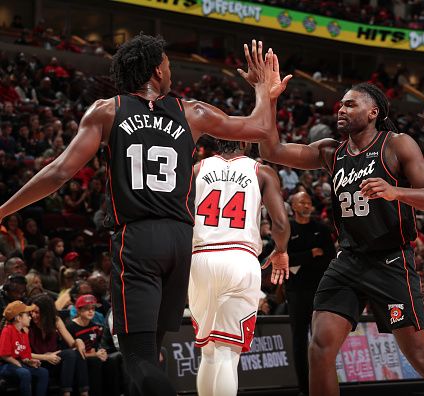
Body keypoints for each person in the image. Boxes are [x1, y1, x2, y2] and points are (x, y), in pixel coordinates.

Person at [0, 34, 281, 396]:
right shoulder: (192, 111)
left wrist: (4, 209)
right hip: (180, 244)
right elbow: (260, 129)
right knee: (153, 352)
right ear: (154, 70)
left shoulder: (107, 110)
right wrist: (263, 90)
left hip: (137, 241)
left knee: (138, 358)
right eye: (167, 63)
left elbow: (58, 172)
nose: (171, 69)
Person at [258, 73, 424, 394]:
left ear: (373, 113)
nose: (341, 109)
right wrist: (269, 98)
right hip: (348, 260)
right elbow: (271, 150)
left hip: (391, 260)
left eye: (350, 104)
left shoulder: (396, 145)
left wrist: (395, 192)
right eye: (340, 104)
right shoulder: (331, 152)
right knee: (319, 347)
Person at [189, 139, 289, 396]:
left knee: (209, 351)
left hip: (200, 258)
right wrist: (281, 251)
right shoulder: (261, 171)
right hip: (238, 257)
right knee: (227, 353)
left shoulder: (197, 169)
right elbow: (279, 224)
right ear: (244, 142)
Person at [286, 191, 335, 395]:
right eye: (302, 202)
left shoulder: (321, 229)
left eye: (309, 203)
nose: (307, 205)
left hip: (319, 290)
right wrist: (311, 254)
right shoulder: (287, 228)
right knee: (299, 339)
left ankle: (320, 387)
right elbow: (285, 258)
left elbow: (330, 258)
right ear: (294, 206)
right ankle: (303, 389)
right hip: (296, 291)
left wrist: (302, 259)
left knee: (320, 339)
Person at [29, 293, 89, 396]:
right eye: (31, 312)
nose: (33, 315)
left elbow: (72, 343)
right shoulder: (27, 324)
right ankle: (65, 394)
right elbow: (23, 353)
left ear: (46, 313)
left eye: (37, 312)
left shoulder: (55, 320)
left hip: (54, 359)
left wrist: (78, 341)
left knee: (78, 352)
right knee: (69, 354)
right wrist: (45, 357)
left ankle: (84, 393)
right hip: (37, 361)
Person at [67, 294, 121, 396]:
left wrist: (101, 353)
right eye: (87, 309)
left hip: (90, 357)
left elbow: (93, 348)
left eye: (93, 308)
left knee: (110, 361)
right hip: (75, 360)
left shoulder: (94, 327)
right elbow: (73, 353)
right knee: (95, 361)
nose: (91, 311)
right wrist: (96, 355)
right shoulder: (70, 326)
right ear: (78, 310)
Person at [0, 300, 49, 396]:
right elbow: (4, 355)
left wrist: (30, 361)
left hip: (19, 364)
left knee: (43, 372)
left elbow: (24, 355)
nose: (30, 317)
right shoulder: (7, 330)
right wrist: (19, 364)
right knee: (25, 373)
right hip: (5, 366)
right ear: (18, 318)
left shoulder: (24, 333)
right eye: (27, 315)